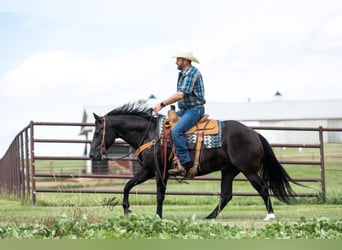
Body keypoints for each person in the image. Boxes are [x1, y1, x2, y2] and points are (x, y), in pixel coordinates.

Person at [153, 51, 206, 176]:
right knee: (165, 125)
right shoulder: (184, 73)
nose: (176, 62)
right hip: (186, 110)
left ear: (186, 61)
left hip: (194, 110)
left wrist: (162, 104)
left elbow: (180, 94)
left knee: (176, 131)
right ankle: (172, 158)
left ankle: (184, 163)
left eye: (178, 59)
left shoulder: (191, 73)